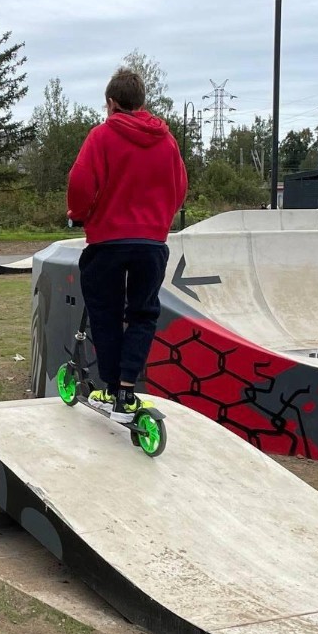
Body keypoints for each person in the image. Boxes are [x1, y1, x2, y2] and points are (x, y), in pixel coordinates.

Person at [66, 68, 187, 422]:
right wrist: (159, 218)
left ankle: (106, 388)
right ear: (142, 101)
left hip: (107, 242)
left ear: (110, 103)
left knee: (105, 313)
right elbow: (180, 187)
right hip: (151, 243)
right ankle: (126, 390)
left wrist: (78, 213)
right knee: (143, 314)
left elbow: (81, 181)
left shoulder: (101, 136)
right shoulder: (166, 140)